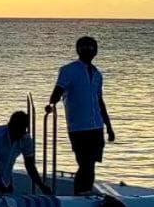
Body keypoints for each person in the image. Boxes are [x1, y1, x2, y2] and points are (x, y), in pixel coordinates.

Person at [46, 35, 115, 194]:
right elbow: (58, 91)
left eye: (92, 47)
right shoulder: (69, 70)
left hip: (96, 126)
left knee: (90, 165)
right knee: (85, 163)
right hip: (78, 127)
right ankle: (79, 194)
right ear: (78, 50)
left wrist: (109, 127)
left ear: (96, 50)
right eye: (85, 47)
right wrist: (51, 105)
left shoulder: (97, 74)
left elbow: (100, 102)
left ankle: (86, 193)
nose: (89, 50)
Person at [0, 110, 50, 194]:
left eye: (24, 129)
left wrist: (41, 186)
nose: (21, 133)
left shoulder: (25, 139)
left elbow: (30, 165)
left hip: (5, 180)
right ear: (10, 126)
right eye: (18, 130)